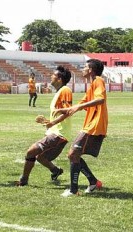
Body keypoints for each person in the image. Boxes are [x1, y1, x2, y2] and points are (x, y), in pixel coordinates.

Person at [54, 59, 108, 197]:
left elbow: (100, 99)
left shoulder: (98, 81)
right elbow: (81, 103)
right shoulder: (92, 85)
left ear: (91, 70)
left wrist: (78, 107)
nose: (82, 69)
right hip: (91, 125)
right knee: (74, 154)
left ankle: (73, 190)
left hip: (94, 125)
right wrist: (66, 110)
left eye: (84, 67)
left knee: (73, 154)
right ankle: (93, 181)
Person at [17, 66, 73, 186]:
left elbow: (68, 111)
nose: (51, 76)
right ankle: (55, 171)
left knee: (30, 152)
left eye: (53, 75)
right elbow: (60, 113)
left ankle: (23, 180)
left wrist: (52, 123)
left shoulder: (65, 90)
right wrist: (48, 121)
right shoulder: (59, 92)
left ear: (59, 78)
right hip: (55, 132)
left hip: (59, 134)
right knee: (40, 157)